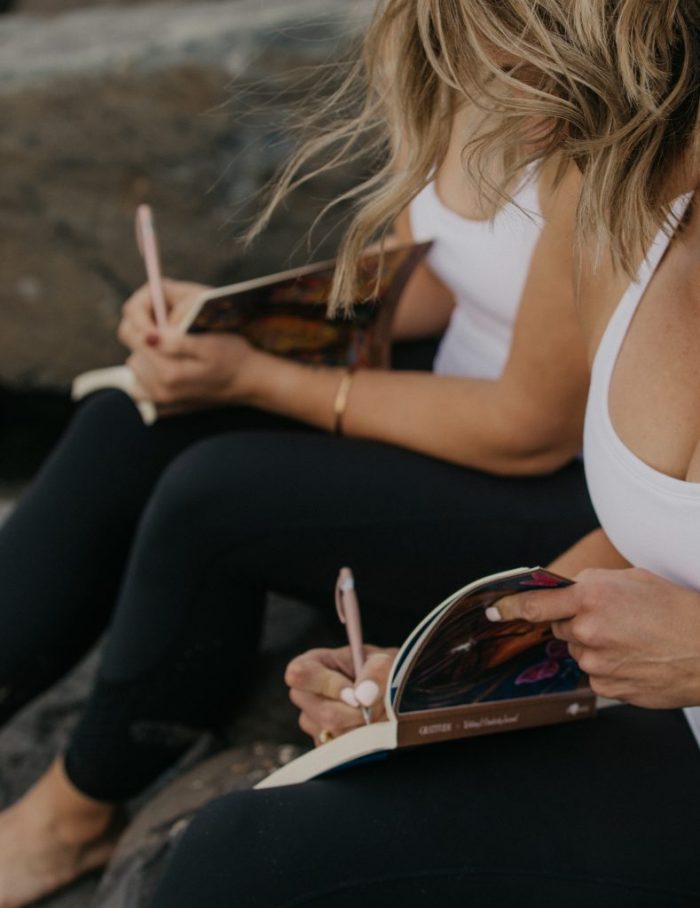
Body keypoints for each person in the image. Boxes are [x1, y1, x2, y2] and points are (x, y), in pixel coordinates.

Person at [0, 16, 599, 908]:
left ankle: (73, 816)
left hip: (565, 488)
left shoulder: (599, 109)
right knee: (139, 408)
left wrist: (261, 376)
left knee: (220, 498)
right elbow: (447, 276)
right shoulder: (449, 46)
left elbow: (529, 425)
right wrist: (237, 325)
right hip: (452, 404)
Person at [146, 1, 700, 906]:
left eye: (495, 39)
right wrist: (444, 673)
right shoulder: (623, 218)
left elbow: (526, 426)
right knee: (241, 848)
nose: (471, 81)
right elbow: (657, 543)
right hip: (673, 728)